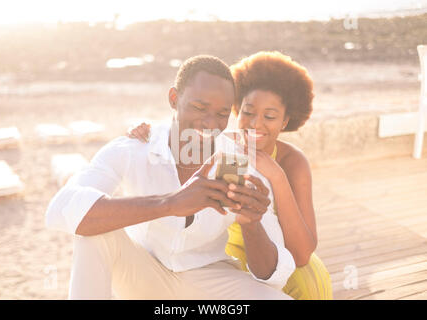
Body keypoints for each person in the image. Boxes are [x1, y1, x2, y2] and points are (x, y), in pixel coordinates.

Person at [45, 55, 296, 300]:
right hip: (143, 273)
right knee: (92, 228)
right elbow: (60, 209)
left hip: (210, 280)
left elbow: (272, 275)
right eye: (199, 107)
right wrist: (169, 204)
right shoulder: (135, 148)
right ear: (174, 99)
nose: (210, 122)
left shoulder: (236, 162)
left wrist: (251, 224)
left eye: (221, 114)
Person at [128, 51, 332, 300]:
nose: (255, 124)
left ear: (285, 120)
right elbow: (183, 128)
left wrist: (277, 177)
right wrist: (150, 130)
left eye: (269, 116)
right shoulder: (223, 148)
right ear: (236, 109)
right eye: (248, 112)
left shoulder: (292, 162)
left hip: (288, 269)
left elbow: (301, 255)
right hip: (229, 262)